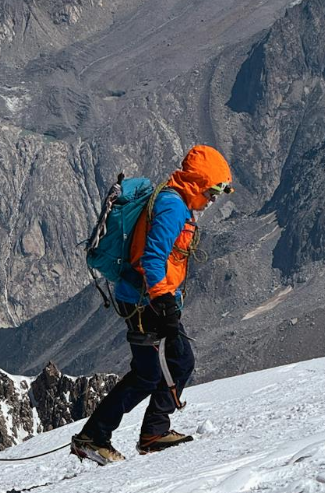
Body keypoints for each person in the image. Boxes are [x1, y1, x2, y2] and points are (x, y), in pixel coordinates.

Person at [71, 145, 233, 465]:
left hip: (142, 298)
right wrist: (165, 302)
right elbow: (153, 258)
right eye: (212, 191)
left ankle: (126, 434)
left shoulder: (173, 199)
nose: (213, 199)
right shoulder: (173, 207)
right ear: (198, 183)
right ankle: (130, 435)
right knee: (176, 363)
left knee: (150, 371)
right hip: (147, 302)